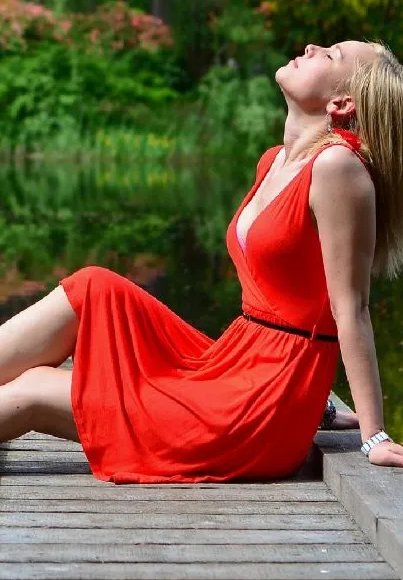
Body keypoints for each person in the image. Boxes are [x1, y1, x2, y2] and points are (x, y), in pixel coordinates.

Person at [0, 39, 402, 482]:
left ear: (342, 102)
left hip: (258, 407)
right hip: (234, 364)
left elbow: (352, 308)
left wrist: (374, 435)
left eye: (331, 55)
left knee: (34, 390)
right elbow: (297, 297)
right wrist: (320, 402)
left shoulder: (338, 168)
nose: (311, 46)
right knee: (93, 286)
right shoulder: (276, 160)